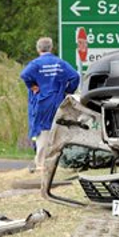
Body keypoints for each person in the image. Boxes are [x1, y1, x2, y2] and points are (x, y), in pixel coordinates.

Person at [20, 37, 80, 171]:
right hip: (58, 101)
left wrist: (33, 86)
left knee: (43, 131)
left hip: (42, 102)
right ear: (51, 48)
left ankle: (41, 163)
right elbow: (75, 76)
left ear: (38, 48)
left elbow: (24, 74)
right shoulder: (59, 63)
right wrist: (68, 90)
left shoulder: (36, 64)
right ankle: (58, 161)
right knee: (58, 129)